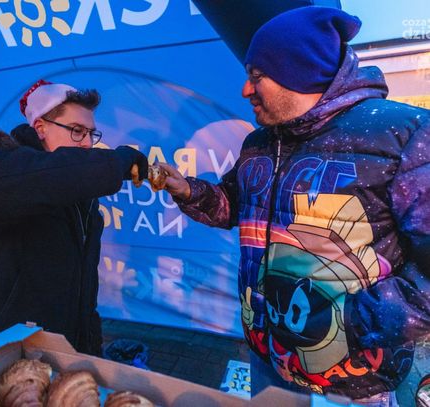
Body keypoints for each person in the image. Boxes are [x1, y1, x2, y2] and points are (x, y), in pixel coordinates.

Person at [159, 6, 430, 405]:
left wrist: (347, 321)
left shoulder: (403, 136)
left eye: (257, 76)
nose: (245, 90)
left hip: (351, 385)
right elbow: (233, 206)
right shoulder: (259, 143)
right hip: (267, 358)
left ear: (298, 71)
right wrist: (187, 191)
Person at [0, 80, 148, 360]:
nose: (87, 142)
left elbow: (84, 296)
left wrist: (89, 355)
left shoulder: (83, 203)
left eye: (91, 133)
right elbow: (40, 177)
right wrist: (116, 162)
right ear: (40, 127)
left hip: (48, 356)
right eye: (77, 131)